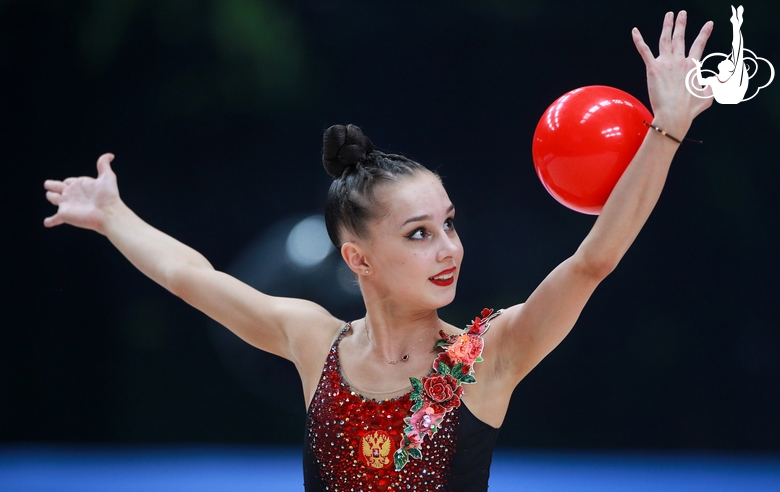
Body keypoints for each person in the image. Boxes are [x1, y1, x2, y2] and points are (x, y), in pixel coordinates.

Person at [43, 10, 713, 492]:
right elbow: (191, 275)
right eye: (418, 233)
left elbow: (591, 261)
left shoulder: (486, 355)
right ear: (357, 258)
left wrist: (666, 132)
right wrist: (112, 214)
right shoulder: (314, 342)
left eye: (449, 224)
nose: (447, 246)